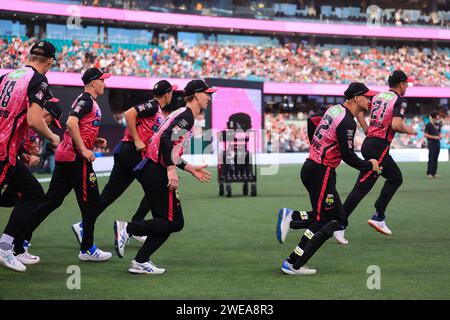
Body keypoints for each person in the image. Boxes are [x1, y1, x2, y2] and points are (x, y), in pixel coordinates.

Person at [113, 80, 215, 275]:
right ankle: (127, 229)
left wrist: (188, 167)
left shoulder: (181, 114)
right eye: (206, 94)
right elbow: (167, 139)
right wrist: (171, 169)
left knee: (167, 221)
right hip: (157, 170)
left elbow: (168, 145)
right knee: (174, 222)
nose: (209, 98)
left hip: (152, 169)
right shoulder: (186, 117)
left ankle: (140, 260)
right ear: (196, 95)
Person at [278, 83, 380, 275]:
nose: (370, 100)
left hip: (315, 168)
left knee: (339, 219)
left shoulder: (334, 109)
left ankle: (292, 218)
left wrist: (316, 149)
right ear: (357, 98)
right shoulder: (347, 121)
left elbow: (312, 120)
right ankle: (293, 262)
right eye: (368, 97)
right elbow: (348, 156)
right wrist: (370, 165)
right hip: (320, 171)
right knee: (322, 220)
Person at [15, 68, 113, 263]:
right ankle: (87, 249)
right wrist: (84, 150)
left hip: (65, 156)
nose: (105, 83)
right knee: (92, 203)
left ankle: (21, 239)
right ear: (93, 82)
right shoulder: (86, 100)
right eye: (102, 80)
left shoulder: (86, 100)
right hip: (76, 159)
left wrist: (93, 142)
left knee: (51, 201)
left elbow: (77, 128)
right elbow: (71, 123)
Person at [71, 80, 178, 245]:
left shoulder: (157, 110)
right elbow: (129, 114)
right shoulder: (153, 106)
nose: (173, 95)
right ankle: (136, 225)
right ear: (167, 94)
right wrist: (136, 139)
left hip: (125, 152)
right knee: (158, 186)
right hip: (132, 152)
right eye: (172, 92)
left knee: (109, 194)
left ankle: (84, 225)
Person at [0, 40, 61, 272]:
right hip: (3, 151)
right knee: (33, 194)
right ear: (50, 61)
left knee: (33, 193)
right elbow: (34, 119)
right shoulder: (38, 80)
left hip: (9, 151)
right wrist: (54, 138)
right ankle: (6, 248)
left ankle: (8, 247)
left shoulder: (7, 76)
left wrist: (22, 149)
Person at [339, 70, 416, 242]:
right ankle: (340, 224)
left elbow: (359, 110)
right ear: (402, 84)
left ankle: (379, 215)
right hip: (379, 146)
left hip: (371, 143)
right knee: (362, 187)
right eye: (406, 84)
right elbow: (396, 124)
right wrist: (408, 130)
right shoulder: (400, 100)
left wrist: (366, 128)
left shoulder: (378, 96)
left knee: (395, 177)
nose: (407, 87)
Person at [424, 110, 441, 178]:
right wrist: (435, 137)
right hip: (431, 143)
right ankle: (429, 173)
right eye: (437, 115)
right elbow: (426, 135)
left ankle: (434, 172)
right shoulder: (428, 124)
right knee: (431, 157)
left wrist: (439, 136)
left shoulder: (438, 124)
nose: (438, 116)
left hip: (437, 143)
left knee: (436, 158)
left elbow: (438, 133)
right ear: (435, 116)